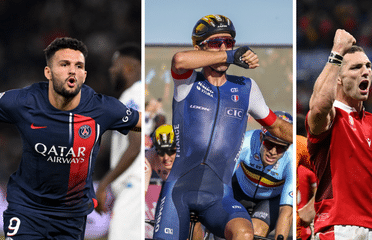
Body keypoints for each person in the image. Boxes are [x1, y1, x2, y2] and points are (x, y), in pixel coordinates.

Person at [152, 14, 293, 240]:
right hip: (179, 191)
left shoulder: (246, 87)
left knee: (245, 234)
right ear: (199, 47)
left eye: (229, 43)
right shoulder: (187, 82)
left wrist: (313, 140)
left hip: (219, 196)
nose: (224, 48)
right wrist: (230, 55)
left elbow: (276, 127)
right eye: (217, 43)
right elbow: (178, 60)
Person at [0, 37, 141, 239]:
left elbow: (142, 122)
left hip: (70, 218)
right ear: (48, 72)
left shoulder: (101, 108)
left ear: (84, 74)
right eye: (64, 64)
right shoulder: (25, 101)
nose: (72, 70)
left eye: (78, 65)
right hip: (27, 210)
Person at [305, 29, 372, 239]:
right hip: (339, 228)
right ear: (337, 79)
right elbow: (319, 106)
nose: (365, 71)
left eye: (367, 66)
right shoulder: (330, 117)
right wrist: (337, 50)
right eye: (356, 67)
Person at [94, 43, 142, 239]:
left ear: (129, 68)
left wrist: (104, 183)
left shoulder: (132, 97)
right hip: (134, 186)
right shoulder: (136, 95)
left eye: (116, 65)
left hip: (134, 186)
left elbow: (135, 145)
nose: (111, 70)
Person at [231, 111, 294, 240]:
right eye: (269, 144)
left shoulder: (291, 159)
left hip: (270, 200)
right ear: (261, 137)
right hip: (239, 191)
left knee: (256, 231)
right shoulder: (246, 142)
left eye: (281, 147)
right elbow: (221, 183)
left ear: (288, 147)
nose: (273, 152)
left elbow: (286, 210)